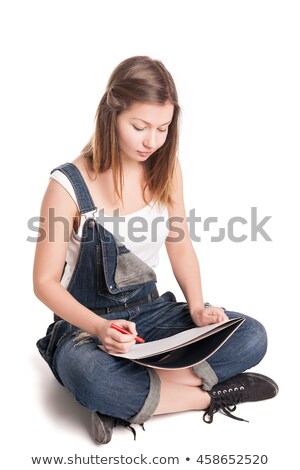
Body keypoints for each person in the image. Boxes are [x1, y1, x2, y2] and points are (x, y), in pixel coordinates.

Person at [33, 56, 278, 444]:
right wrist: (100, 327)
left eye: (163, 128)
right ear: (111, 115)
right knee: (91, 375)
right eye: (139, 126)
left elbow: (179, 243)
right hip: (86, 326)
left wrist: (197, 307)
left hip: (153, 312)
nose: (152, 141)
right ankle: (204, 397)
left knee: (253, 336)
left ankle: (127, 399)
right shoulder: (68, 184)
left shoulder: (165, 168)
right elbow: (44, 283)